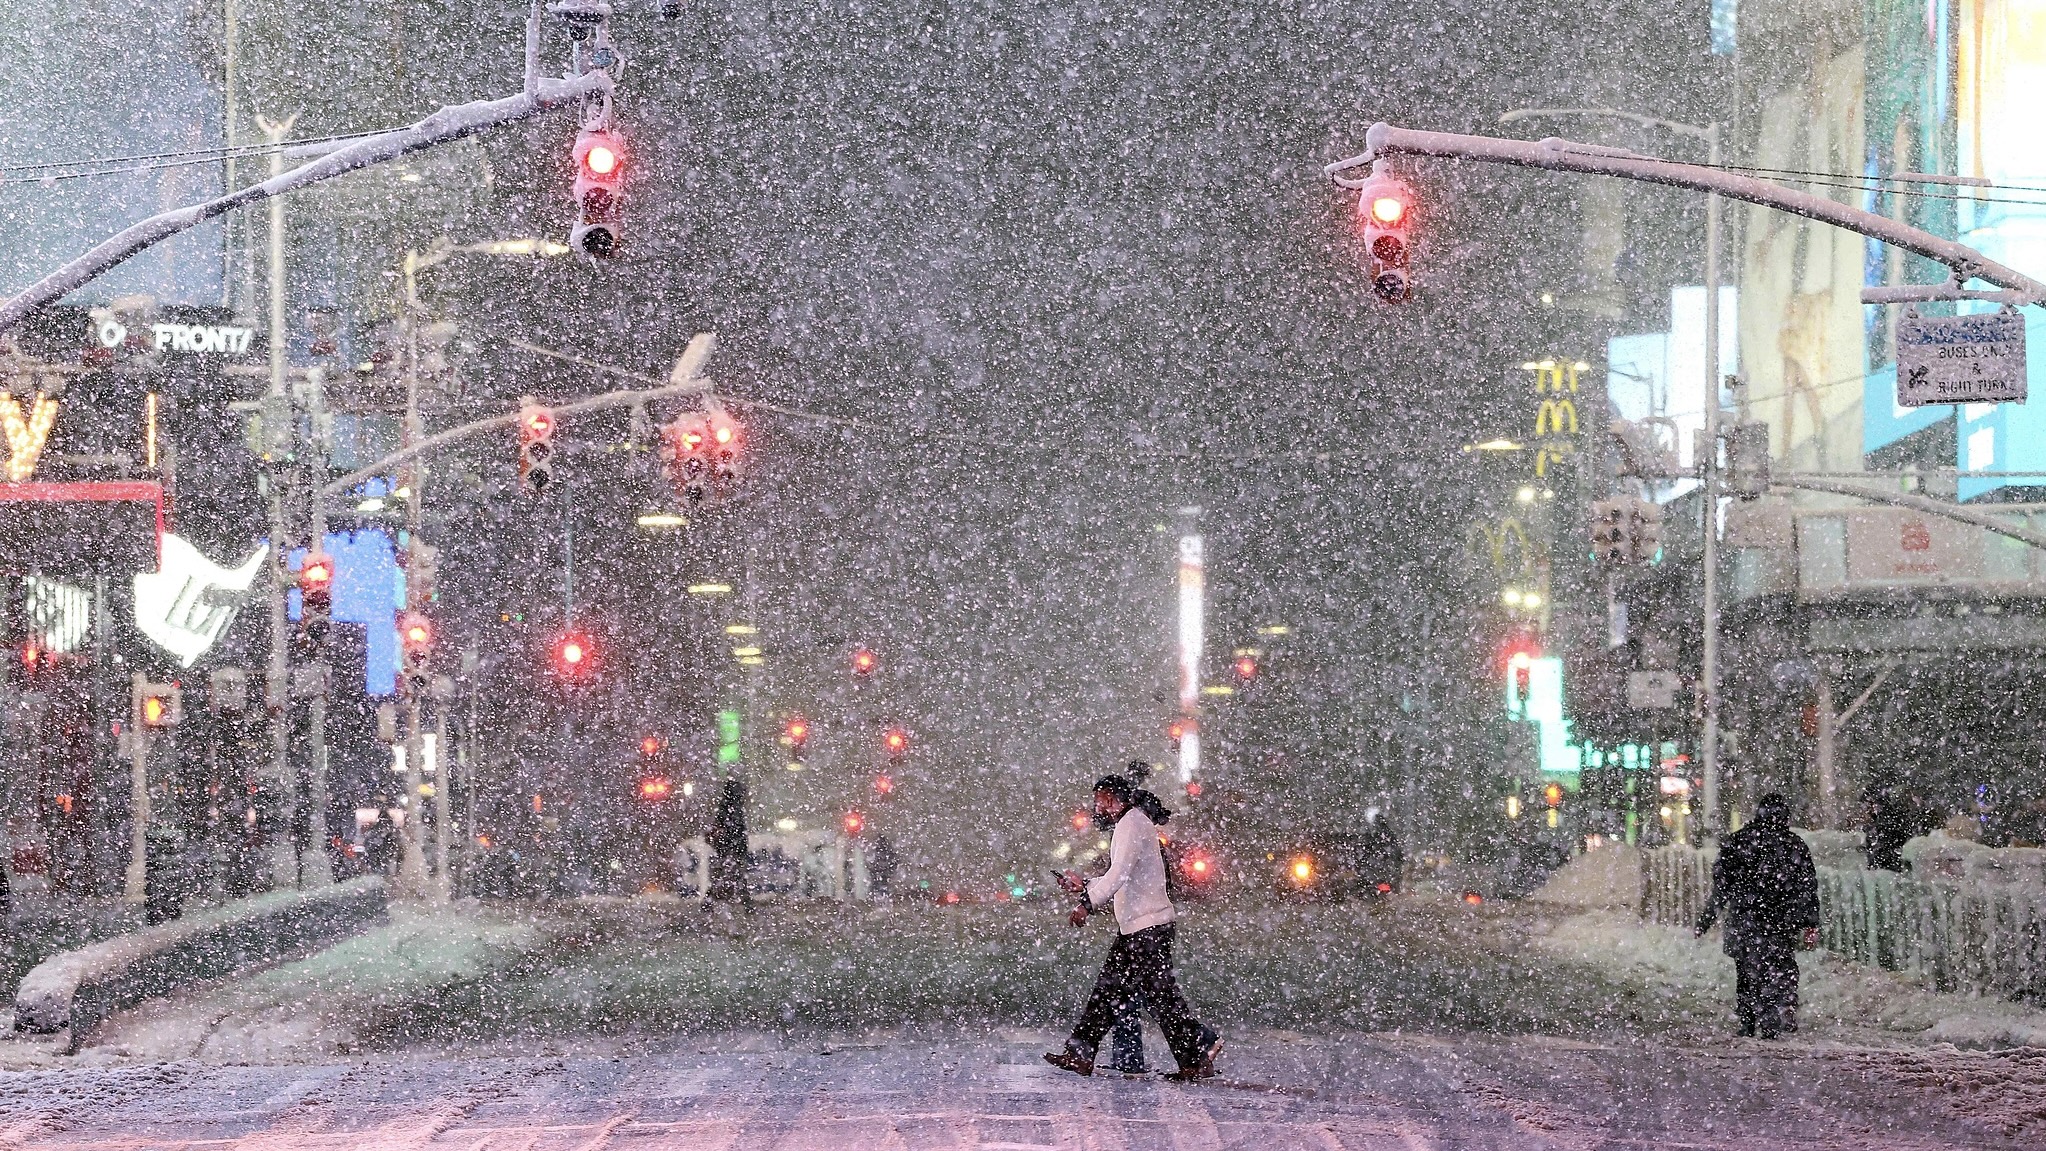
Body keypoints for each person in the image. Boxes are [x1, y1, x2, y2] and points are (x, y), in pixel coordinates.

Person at [1046, 774, 1222, 1081]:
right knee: (1118, 993)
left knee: (1148, 997)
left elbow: (1119, 874)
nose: (1097, 808)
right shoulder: (1131, 823)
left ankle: (1197, 1053)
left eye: (1100, 801)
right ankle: (1082, 1053)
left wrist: (1087, 904)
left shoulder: (1131, 824)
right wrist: (1084, 885)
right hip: (1140, 929)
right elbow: (1123, 876)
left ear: (1113, 798)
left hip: (1146, 929)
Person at [1695, 793, 1820, 1039]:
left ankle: (1748, 1020)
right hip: (1780, 922)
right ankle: (1774, 1017)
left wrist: (1706, 919)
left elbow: (1721, 888)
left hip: (1745, 919)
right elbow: (1807, 888)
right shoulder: (1794, 845)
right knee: (1779, 968)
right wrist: (1810, 923)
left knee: (1746, 971)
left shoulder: (1738, 842)